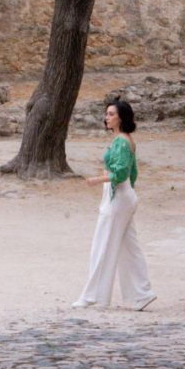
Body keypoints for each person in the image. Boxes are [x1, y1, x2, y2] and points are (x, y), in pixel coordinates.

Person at [72, 99, 156, 311]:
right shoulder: (126, 140)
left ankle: (91, 295)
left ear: (121, 117)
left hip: (118, 197)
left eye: (111, 114)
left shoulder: (121, 142)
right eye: (107, 114)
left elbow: (121, 173)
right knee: (129, 247)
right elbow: (131, 173)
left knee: (102, 245)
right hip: (124, 195)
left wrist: (97, 180)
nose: (106, 117)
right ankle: (143, 293)